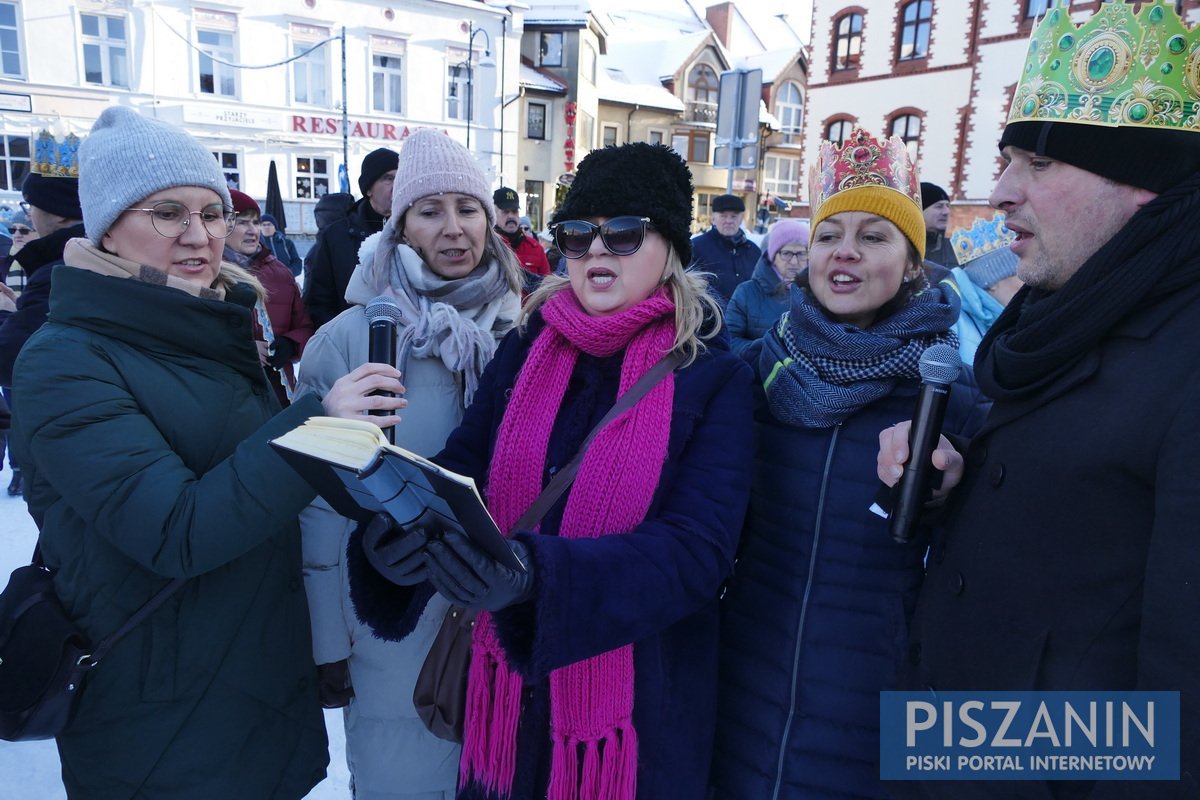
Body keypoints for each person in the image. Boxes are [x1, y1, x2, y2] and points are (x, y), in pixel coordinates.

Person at [8, 105, 405, 799]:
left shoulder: (210, 324)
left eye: (212, 212)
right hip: (154, 715)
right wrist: (318, 426)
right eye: (167, 213)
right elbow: (176, 532)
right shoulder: (65, 360)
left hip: (252, 687)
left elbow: (262, 490)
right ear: (105, 226)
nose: (201, 236)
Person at [359, 142, 754, 799]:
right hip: (505, 707)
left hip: (634, 718)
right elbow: (467, 469)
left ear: (672, 250)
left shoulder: (715, 377)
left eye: (624, 233)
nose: (597, 251)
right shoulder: (525, 348)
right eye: (577, 235)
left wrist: (536, 580)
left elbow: (696, 553)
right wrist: (399, 539)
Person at [877, 4, 1200, 797]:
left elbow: (1181, 709)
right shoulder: (1067, 310)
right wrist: (949, 485)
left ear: (1141, 187)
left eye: (1038, 164)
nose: (1001, 191)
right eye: (1006, 159)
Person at [709, 127, 986, 800]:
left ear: (914, 261)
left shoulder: (954, 404)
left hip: (873, 714)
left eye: (876, 236)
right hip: (737, 692)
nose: (846, 254)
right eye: (831, 234)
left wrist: (947, 498)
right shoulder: (750, 377)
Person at [296, 128, 523, 800]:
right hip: (391, 630)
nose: (453, 229)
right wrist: (327, 643)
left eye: (468, 207)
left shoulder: (532, 329)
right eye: (430, 211)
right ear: (400, 225)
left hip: (510, 620)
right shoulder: (354, 340)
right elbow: (318, 508)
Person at [0, 172, 86, 499]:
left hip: (72, 435)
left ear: (59, 211)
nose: (28, 217)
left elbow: (12, 360)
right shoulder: (96, 252)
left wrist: (5, 313)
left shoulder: (57, 267)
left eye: (31, 206)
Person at [224, 190, 315, 407]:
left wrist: (290, 344)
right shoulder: (208, 271)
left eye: (255, 222)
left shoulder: (280, 273)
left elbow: (305, 327)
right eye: (242, 222)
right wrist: (242, 348)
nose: (252, 230)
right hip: (231, 397)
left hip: (279, 395)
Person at [304, 147, 398, 326]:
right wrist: (343, 338)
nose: (397, 185)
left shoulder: (416, 231)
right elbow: (317, 302)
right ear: (369, 189)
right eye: (388, 178)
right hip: (349, 342)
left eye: (401, 178)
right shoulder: (335, 236)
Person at [940, 211, 1022, 365]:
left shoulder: (1012, 319)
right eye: (1021, 276)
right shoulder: (950, 324)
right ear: (992, 282)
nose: (1029, 286)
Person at [725, 218, 809, 356]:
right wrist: (767, 349)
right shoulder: (747, 293)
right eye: (786, 253)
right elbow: (729, 340)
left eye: (801, 253)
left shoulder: (819, 292)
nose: (794, 261)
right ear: (773, 257)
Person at [691, 193, 760, 305]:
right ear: (713, 218)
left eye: (734, 216)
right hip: (711, 318)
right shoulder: (696, 247)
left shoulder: (753, 251)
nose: (729, 221)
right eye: (723, 216)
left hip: (746, 320)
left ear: (741, 218)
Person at [492, 186, 550, 290]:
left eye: (514, 211)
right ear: (494, 214)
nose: (511, 216)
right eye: (505, 212)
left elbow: (546, 288)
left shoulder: (536, 248)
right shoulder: (487, 247)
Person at [919, 182, 956, 267]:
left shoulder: (955, 249)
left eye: (948, 206)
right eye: (939, 206)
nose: (946, 212)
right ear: (920, 210)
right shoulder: (903, 247)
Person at [260, 211, 304, 277]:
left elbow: (297, 263)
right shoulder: (257, 244)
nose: (266, 227)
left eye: (269, 224)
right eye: (263, 225)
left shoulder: (287, 243)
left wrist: (286, 273)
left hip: (286, 281)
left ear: (275, 227)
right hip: (265, 283)